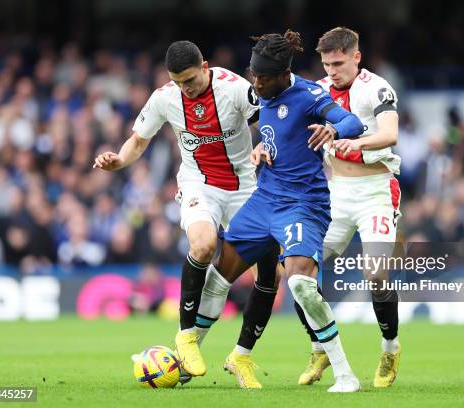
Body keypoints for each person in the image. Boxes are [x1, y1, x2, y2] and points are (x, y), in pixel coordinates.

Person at [187, 30, 364, 392]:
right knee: (219, 275)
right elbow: (274, 134)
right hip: (265, 199)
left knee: (300, 283)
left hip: (302, 204)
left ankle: (346, 374)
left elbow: (352, 123)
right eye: (254, 75)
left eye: (263, 79)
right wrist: (259, 150)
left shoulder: (310, 95)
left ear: (284, 75)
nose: (256, 84)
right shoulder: (261, 90)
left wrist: (332, 128)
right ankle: (189, 359)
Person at [93, 40, 277, 377]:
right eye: (178, 82)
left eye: (190, 81)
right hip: (199, 185)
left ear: (205, 68)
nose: (186, 90)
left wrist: (264, 143)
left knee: (270, 274)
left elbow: (270, 123)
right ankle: (187, 334)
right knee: (204, 245)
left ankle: (241, 355)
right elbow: (137, 141)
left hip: (246, 187)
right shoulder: (165, 97)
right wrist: (118, 160)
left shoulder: (235, 88)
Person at [294, 27, 402, 388]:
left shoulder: (377, 87)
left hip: (375, 190)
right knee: (298, 270)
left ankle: (390, 347)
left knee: (375, 275)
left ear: (357, 57)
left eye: (338, 63)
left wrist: (353, 144)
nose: (332, 71)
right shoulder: (319, 90)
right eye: (326, 64)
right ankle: (320, 348)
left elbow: (389, 134)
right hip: (336, 192)